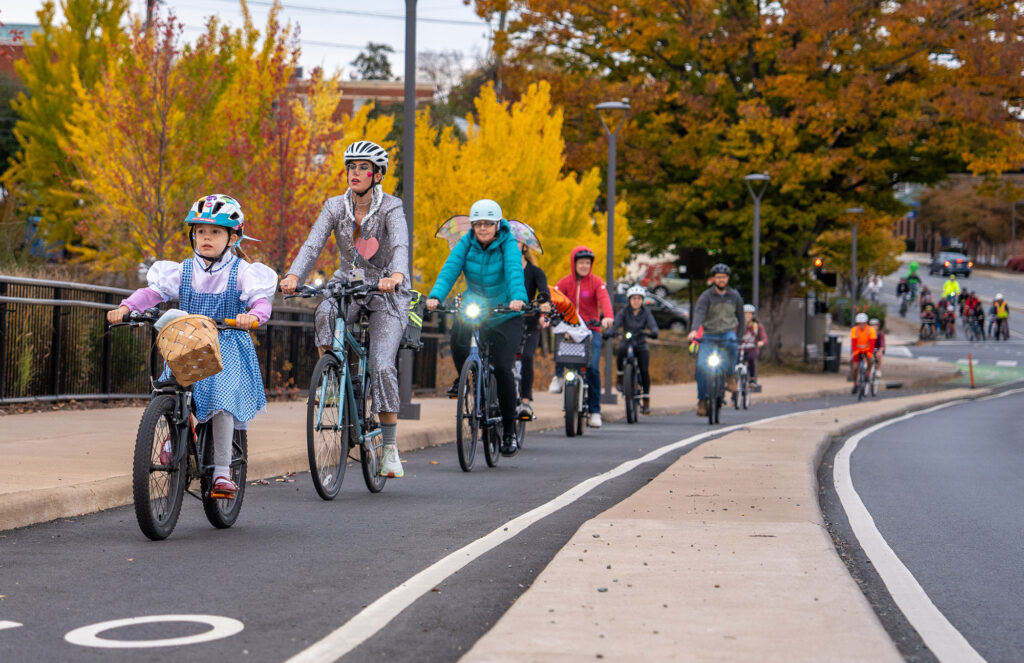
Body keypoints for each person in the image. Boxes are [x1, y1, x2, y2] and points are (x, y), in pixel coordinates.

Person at [107, 194, 277, 498]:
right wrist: (126, 307)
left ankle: (222, 472)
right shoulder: (183, 270)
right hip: (190, 340)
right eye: (200, 231)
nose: (206, 238)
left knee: (222, 396)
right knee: (171, 385)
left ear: (232, 237)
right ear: (192, 235)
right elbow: (153, 293)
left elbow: (260, 301)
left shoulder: (241, 272)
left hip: (226, 344)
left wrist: (253, 316)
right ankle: (175, 431)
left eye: (214, 232)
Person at [280, 140, 410, 479]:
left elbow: (399, 244)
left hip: (386, 290)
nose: (356, 173)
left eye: (363, 168)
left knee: (381, 366)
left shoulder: (391, 208)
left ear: (377, 175)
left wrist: (396, 275)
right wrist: (295, 274)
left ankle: (390, 449)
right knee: (324, 310)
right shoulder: (335, 206)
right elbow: (313, 244)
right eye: (351, 167)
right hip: (349, 282)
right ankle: (333, 378)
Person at [426, 199, 527, 456]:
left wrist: (518, 298)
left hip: (506, 312)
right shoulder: (465, 243)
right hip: (477, 308)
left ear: (497, 225)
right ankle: (466, 378)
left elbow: (515, 271)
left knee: (504, 368)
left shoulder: (509, 244)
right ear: (472, 225)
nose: (482, 229)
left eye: (488, 224)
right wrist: (436, 296)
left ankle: (509, 431)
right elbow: (450, 269)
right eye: (478, 224)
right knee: (458, 334)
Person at [547, 246, 615, 428]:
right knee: (560, 342)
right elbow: (552, 298)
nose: (584, 266)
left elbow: (604, 300)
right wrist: (544, 316)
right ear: (574, 263)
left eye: (587, 263)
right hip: (569, 327)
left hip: (591, 329)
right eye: (581, 262)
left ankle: (594, 411)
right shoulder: (564, 282)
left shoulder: (596, 282)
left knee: (592, 368)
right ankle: (558, 376)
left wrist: (607, 316)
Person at [686, 263, 744, 416]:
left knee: (733, 344)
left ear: (728, 279)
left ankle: (730, 376)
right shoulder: (706, 296)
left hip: (727, 334)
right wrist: (693, 330)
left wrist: (740, 337)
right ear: (714, 279)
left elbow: (741, 317)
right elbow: (699, 313)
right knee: (700, 368)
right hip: (709, 336)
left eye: (724, 277)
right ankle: (702, 400)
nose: (721, 280)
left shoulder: (734, 296)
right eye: (718, 277)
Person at [610, 285, 659, 414]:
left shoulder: (646, 312)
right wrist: (610, 331)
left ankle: (646, 398)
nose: (636, 301)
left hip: (641, 342)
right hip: (627, 341)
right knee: (620, 351)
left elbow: (653, 325)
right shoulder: (624, 311)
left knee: (644, 370)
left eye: (638, 298)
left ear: (642, 300)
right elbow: (616, 323)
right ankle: (621, 375)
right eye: (633, 298)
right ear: (629, 300)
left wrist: (653, 331)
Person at [518, 241, 551, 421]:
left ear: (525, 246)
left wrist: (544, 307)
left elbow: (544, 292)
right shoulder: (501, 269)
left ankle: (525, 401)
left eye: (517, 241)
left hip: (529, 322)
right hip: (505, 321)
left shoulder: (535, 272)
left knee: (527, 357)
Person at [741, 304, 768, 387]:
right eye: (745, 313)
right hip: (740, 349)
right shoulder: (738, 325)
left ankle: (752, 379)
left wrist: (761, 342)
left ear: (752, 315)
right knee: (734, 361)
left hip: (752, 349)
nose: (747, 315)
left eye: (749, 314)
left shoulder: (757, 326)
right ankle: (733, 380)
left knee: (751, 358)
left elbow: (764, 338)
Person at [849, 312, 876, 392]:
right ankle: (855, 384)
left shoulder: (871, 330)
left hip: (867, 351)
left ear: (866, 322)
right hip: (858, 351)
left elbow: (872, 343)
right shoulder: (854, 330)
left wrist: (869, 353)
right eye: (859, 323)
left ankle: (868, 373)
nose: (861, 325)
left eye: (863, 323)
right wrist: (855, 352)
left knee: (870, 361)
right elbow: (853, 342)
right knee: (855, 368)